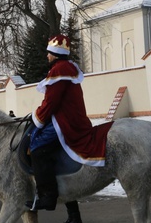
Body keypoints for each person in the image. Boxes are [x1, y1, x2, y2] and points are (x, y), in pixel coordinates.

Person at [26, 34, 113, 211]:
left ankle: (47, 197)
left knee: (37, 147)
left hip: (64, 121)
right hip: (70, 117)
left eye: (49, 53)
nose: (47, 56)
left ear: (55, 53)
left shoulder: (59, 70)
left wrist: (37, 118)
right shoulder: (67, 68)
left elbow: (51, 102)